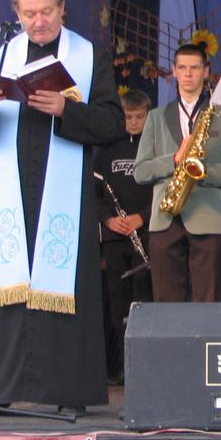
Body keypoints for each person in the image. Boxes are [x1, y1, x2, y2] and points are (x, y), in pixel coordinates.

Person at [0, 0, 125, 414]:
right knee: (10, 286)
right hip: (13, 193)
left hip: (65, 198)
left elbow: (113, 124)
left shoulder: (88, 56)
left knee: (66, 289)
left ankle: (67, 390)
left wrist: (67, 110)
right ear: (16, 14)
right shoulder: (5, 54)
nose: (38, 22)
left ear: (62, 8)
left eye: (46, 12)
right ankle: (2, 386)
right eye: (29, 13)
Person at [133, 44, 221, 302]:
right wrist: (174, 160)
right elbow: (140, 172)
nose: (188, 74)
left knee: (209, 301)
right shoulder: (155, 117)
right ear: (174, 71)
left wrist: (203, 171)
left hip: (208, 217)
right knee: (166, 301)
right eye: (182, 68)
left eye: (195, 68)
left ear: (206, 72)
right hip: (165, 217)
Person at [94, 89, 153, 385]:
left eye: (139, 117)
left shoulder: (155, 147)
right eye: (128, 117)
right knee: (118, 304)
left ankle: (146, 368)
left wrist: (142, 217)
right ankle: (123, 367)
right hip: (116, 238)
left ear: (148, 116)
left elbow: (165, 190)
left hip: (146, 237)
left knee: (145, 301)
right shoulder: (107, 150)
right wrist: (108, 219)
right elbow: (95, 194)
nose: (134, 122)